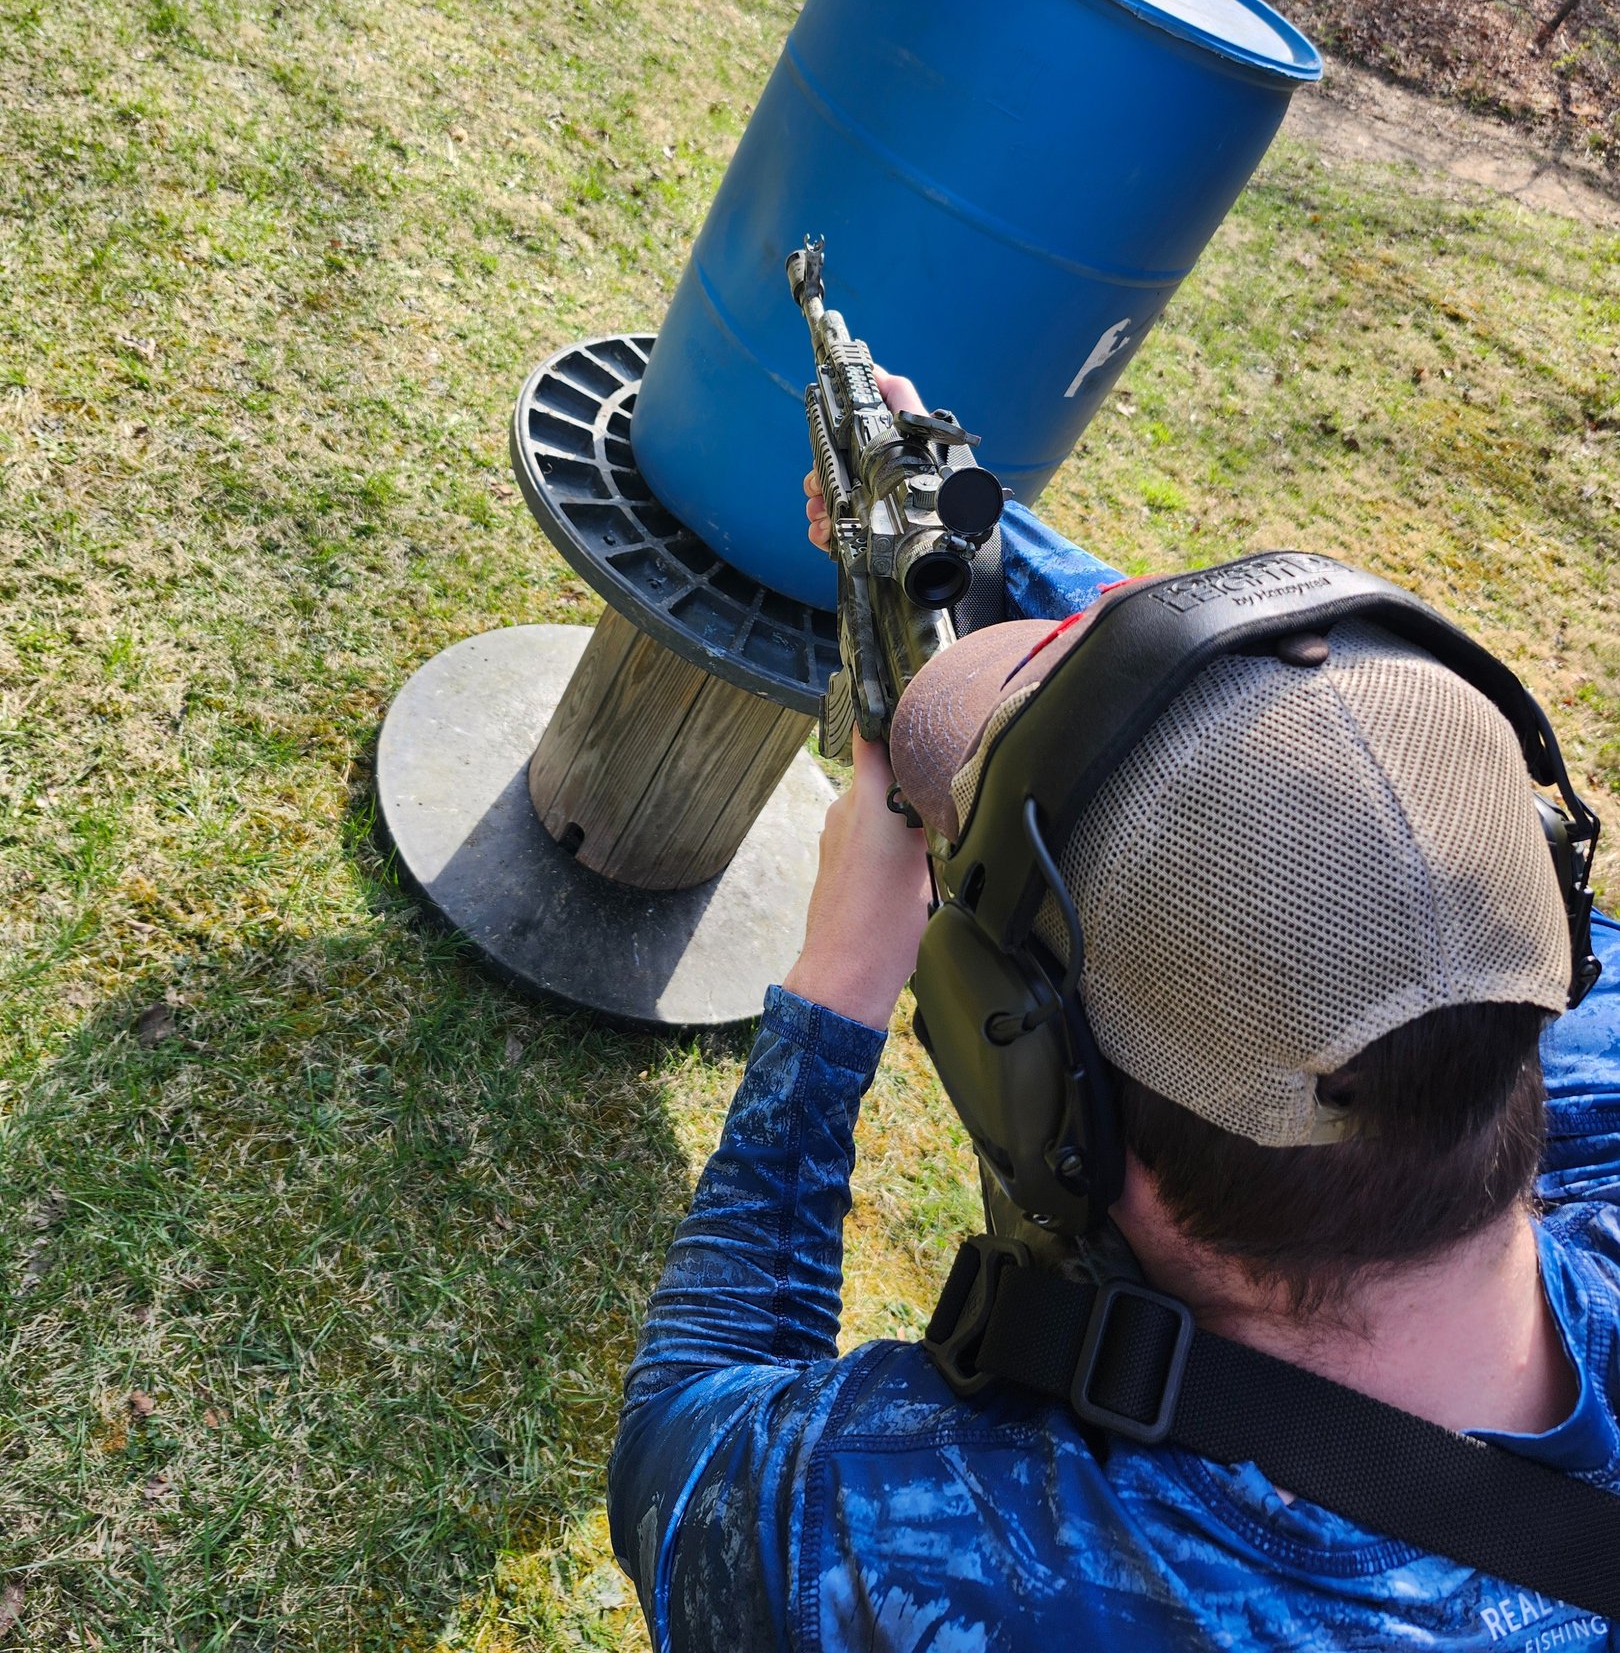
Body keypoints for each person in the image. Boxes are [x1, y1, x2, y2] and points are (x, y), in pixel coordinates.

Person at [607, 371, 1620, 1653]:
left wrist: (834, 995)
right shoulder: (1572, 1044)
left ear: (1042, 1098)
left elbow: (680, 1445)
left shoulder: (933, 1549)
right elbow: (1315, 788)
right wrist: (968, 538)